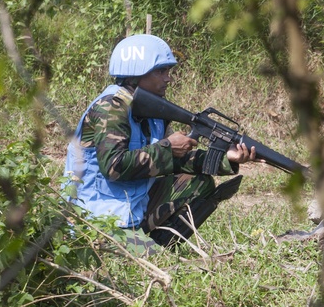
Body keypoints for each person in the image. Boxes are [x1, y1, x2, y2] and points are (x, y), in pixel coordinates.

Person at [64, 34, 255, 246]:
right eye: (160, 71)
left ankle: (157, 244)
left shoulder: (152, 110)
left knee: (198, 183)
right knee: (147, 260)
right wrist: (167, 147)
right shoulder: (111, 107)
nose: (168, 78)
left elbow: (176, 160)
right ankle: (144, 249)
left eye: (168, 71)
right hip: (97, 221)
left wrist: (227, 158)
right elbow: (113, 167)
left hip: (132, 208)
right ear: (136, 74)